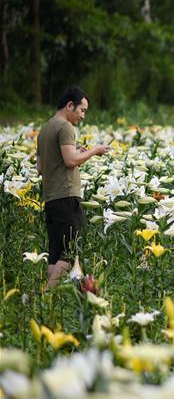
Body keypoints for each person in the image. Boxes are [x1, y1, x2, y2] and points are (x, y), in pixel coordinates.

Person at [36, 87, 110, 287]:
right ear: (70, 105)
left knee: (56, 254)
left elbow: (41, 167)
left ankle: (47, 303)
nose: (83, 116)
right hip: (66, 196)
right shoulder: (65, 127)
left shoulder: (45, 129)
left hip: (51, 198)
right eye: (82, 110)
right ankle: (47, 295)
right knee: (70, 251)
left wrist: (75, 151)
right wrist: (94, 150)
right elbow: (70, 161)